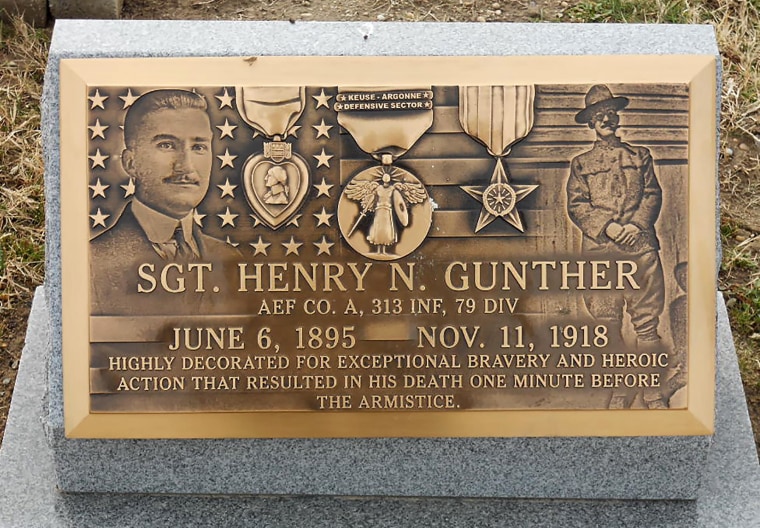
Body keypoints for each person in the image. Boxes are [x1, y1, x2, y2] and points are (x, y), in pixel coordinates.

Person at [90, 89, 237, 314]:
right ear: (131, 162)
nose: (186, 166)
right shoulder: (92, 264)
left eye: (198, 147)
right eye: (167, 145)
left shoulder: (231, 259)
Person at [566, 84, 667, 409]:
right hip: (601, 251)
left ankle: (651, 390)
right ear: (591, 123)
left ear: (618, 117)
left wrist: (635, 226)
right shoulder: (581, 163)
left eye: (610, 113)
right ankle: (622, 390)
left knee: (647, 324)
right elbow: (577, 205)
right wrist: (607, 227)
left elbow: (652, 195)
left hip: (639, 248)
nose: (606, 119)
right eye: (599, 115)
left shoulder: (640, 156)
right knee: (608, 325)